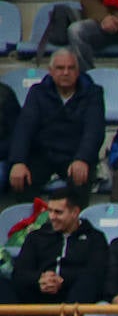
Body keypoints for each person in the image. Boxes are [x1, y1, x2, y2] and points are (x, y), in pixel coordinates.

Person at [9, 186, 108, 316]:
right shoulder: (36, 237)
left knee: (89, 281)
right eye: (50, 211)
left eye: (58, 212)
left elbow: (98, 272)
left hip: (72, 298)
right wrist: (39, 280)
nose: (52, 217)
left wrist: (62, 280)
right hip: (38, 296)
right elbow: (19, 273)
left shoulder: (95, 238)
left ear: (75, 212)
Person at [8, 50, 105, 202]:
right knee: (21, 180)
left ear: (78, 71)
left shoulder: (93, 93)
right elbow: (24, 128)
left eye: (71, 68)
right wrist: (18, 161)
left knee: (80, 182)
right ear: (51, 71)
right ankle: (35, 225)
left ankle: (71, 224)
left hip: (75, 155)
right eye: (60, 68)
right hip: (43, 155)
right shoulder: (37, 92)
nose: (65, 72)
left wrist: (82, 158)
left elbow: (94, 131)